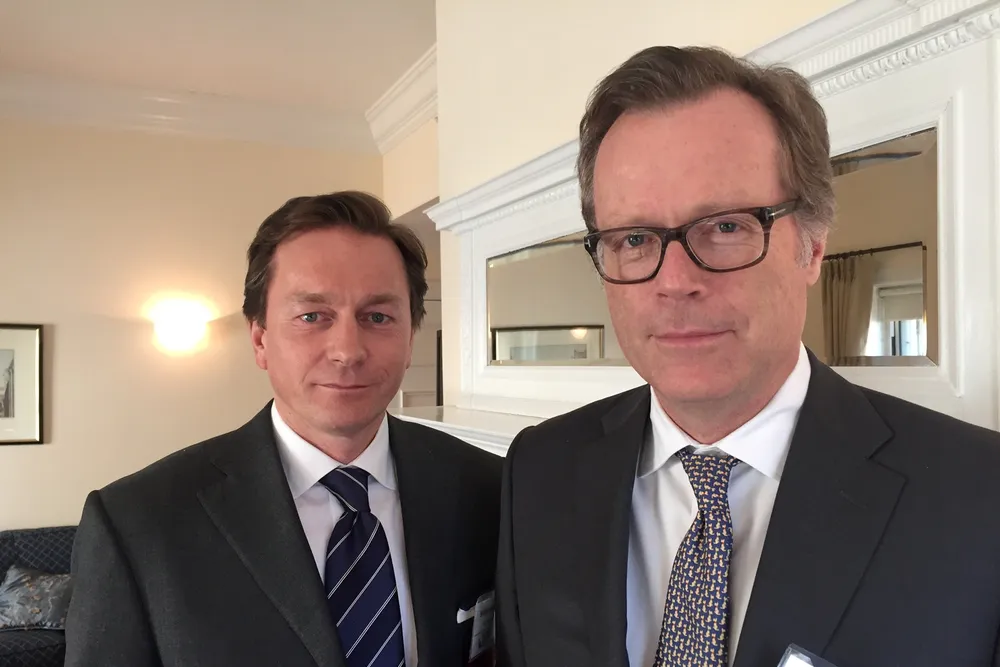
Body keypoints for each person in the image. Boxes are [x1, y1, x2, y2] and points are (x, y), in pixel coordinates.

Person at [495, 46, 1000, 667]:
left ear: (813, 246)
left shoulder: (979, 496)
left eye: (726, 226)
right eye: (634, 238)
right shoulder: (539, 470)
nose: (674, 281)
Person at [66, 191, 502, 667]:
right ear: (260, 339)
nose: (347, 350)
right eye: (312, 316)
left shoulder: (490, 488)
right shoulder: (137, 523)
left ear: (410, 338)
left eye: (378, 317)